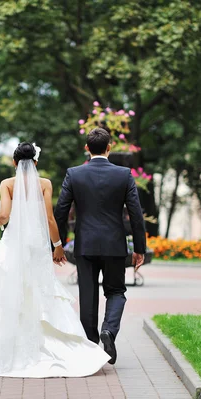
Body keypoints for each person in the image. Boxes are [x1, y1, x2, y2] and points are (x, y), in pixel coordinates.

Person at [0, 142, 110, 377]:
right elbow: (50, 219)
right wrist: (58, 246)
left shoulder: (7, 184)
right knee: (41, 289)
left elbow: (4, 216)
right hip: (38, 246)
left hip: (15, 245)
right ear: (35, 162)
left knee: (8, 290)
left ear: (14, 162)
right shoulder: (45, 184)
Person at [54, 128, 146, 365]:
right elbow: (136, 214)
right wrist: (139, 248)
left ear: (87, 149)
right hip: (115, 245)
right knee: (116, 291)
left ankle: (90, 346)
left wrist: (58, 245)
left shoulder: (74, 174)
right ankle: (109, 331)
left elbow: (61, 211)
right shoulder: (124, 175)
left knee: (88, 294)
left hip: (85, 245)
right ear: (109, 147)